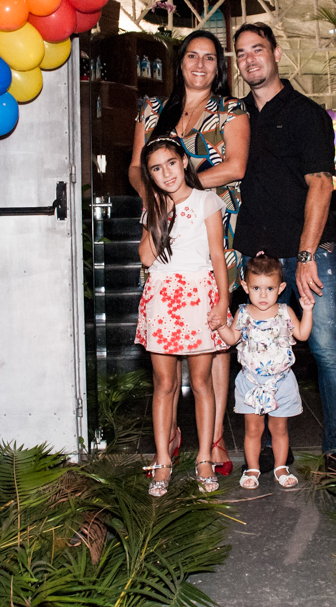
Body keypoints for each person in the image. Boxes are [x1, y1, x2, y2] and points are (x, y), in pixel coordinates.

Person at [232, 22, 336, 469]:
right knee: (256, 353)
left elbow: (321, 183)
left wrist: (304, 256)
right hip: (256, 260)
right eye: (241, 53)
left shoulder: (305, 113)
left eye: (257, 49)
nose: (249, 59)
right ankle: (265, 449)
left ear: (277, 53)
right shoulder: (236, 116)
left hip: (309, 254)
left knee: (325, 350)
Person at [129, 30, 247, 476]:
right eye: (192, 56)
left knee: (213, 339)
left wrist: (185, 193)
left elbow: (236, 166)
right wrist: (156, 200)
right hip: (162, 227)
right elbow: (137, 166)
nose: (200, 64)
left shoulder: (231, 109)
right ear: (179, 62)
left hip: (216, 223)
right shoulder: (153, 109)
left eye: (210, 58)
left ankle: (213, 440)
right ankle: (172, 437)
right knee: (166, 331)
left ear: (220, 67)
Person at [135, 137, 231, 496]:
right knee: (164, 384)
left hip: (199, 295)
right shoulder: (154, 209)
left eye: (171, 163)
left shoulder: (207, 200)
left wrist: (221, 303)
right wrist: (157, 214)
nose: (166, 173)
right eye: (157, 169)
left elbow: (218, 257)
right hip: (162, 297)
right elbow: (146, 258)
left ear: (184, 162)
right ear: (151, 176)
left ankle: (204, 457)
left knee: (202, 381)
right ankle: (163, 459)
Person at [216, 254, 314, 489]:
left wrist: (307, 311)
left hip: (281, 381)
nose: (262, 294)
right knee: (253, 430)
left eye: (269, 288)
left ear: (280, 288)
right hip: (251, 382)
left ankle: (281, 466)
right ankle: (252, 468)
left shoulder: (285, 311)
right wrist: (220, 325)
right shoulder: (243, 313)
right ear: (246, 286)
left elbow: (302, 335)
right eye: (257, 288)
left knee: (279, 429)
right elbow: (231, 339)